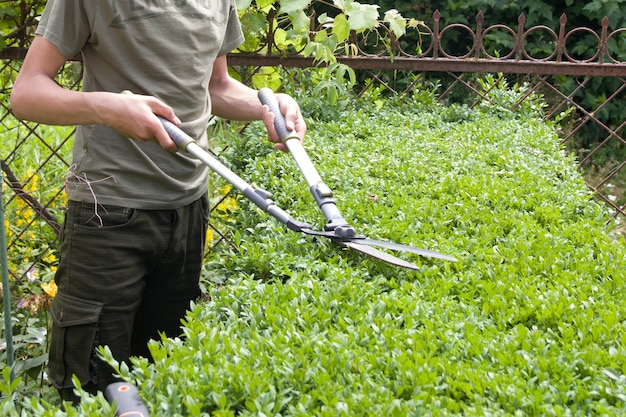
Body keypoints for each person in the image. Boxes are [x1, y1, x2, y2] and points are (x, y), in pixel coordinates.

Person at [10, 0, 306, 404]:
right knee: (94, 389)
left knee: (160, 377)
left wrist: (269, 106)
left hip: (189, 210)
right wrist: (107, 107)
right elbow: (26, 92)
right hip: (108, 214)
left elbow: (216, 86)